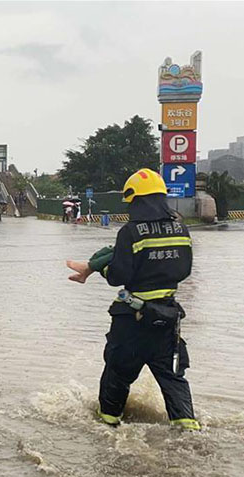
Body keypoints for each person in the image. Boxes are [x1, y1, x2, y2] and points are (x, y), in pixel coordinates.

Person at [66, 169, 199, 431]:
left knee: (117, 374)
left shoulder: (131, 232)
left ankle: (107, 425)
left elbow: (117, 276)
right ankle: (189, 433)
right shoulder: (181, 229)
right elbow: (184, 270)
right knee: (174, 379)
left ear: (136, 201)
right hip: (168, 318)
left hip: (132, 320)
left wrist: (101, 268)